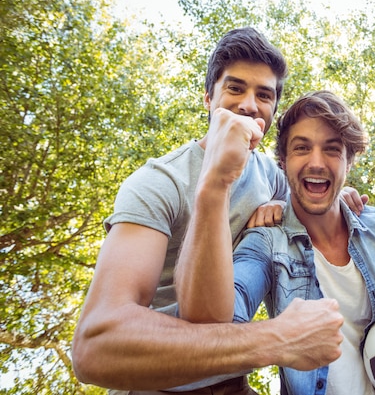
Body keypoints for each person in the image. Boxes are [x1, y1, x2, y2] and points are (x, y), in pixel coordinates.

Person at [71, 27, 349, 395]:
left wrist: (339, 197)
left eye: (263, 95)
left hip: (233, 382)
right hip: (157, 385)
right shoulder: (159, 182)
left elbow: (311, 202)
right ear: (207, 98)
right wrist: (275, 340)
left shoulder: (269, 174)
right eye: (235, 88)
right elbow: (94, 348)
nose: (249, 104)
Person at [176, 90, 375, 395]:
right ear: (282, 162)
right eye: (302, 148)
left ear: (349, 162)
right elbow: (219, 320)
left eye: (332, 150)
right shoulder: (266, 241)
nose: (317, 163)